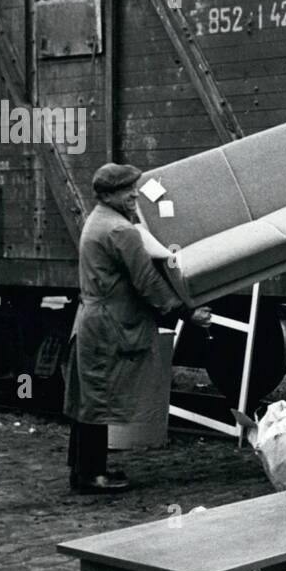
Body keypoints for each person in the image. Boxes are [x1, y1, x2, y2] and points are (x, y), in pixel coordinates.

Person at [63, 162, 211, 494]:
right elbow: (147, 282)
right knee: (99, 398)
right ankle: (90, 477)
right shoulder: (121, 231)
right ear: (107, 194)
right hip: (109, 324)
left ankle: (84, 469)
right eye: (126, 190)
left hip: (94, 319)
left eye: (134, 187)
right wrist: (188, 313)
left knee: (89, 397)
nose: (134, 194)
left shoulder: (100, 220)